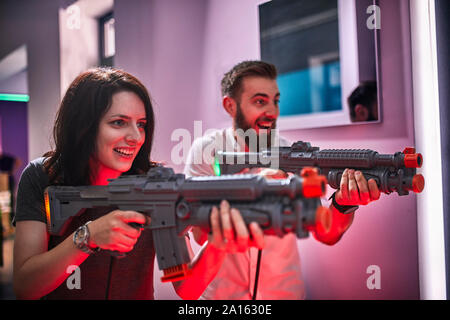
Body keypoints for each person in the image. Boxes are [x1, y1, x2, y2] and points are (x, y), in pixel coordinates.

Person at [12, 67, 264, 300]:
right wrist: (88, 237)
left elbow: (187, 288)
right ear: (84, 127)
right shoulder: (43, 176)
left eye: (141, 125)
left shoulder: (157, 183)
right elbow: (25, 286)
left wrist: (219, 243)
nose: (135, 137)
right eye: (119, 122)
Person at [184, 60, 381, 299]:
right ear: (230, 106)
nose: (272, 112)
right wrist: (254, 192)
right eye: (260, 101)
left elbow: (326, 234)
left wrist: (344, 204)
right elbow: (200, 235)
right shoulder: (207, 150)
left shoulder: (291, 153)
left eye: (275, 101)